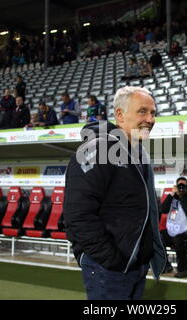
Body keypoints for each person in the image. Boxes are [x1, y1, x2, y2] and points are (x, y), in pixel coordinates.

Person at [63, 86, 167, 300]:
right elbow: (77, 216)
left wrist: (143, 257)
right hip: (109, 268)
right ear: (120, 115)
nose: (150, 119)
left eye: (153, 112)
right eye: (142, 111)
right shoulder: (98, 149)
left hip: (135, 265)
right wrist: (110, 259)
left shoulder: (140, 154)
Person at [159, 177, 187, 278]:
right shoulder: (173, 198)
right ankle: (166, 266)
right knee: (158, 238)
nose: (181, 188)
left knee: (178, 241)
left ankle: (182, 270)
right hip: (172, 230)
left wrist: (185, 195)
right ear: (176, 186)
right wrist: (172, 194)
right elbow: (163, 210)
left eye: (183, 186)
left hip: (186, 232)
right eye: (179, 186)